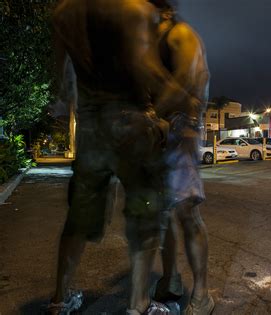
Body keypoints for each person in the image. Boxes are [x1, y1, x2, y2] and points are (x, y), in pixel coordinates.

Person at [48, 0, 200, 314]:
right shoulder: (133, 9)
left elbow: (62, 82)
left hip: (90, 127)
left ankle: (59, 300)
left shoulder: (64, 12)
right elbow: (144, 68)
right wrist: (179, 99)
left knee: (77, 219)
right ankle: (139, 304)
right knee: (143, 215)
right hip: (131, 125)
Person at [148, 1, 214, 314]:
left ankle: (202, 295)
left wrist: (151, 114)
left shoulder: (181, 35)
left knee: (187, 213)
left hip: (181, 133)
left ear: (164, 12)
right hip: (164, 134)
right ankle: (170, 279)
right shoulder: (158, 40)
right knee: (164, 212)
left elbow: (187, 82)